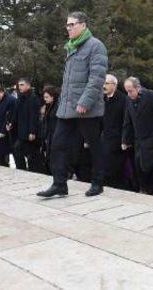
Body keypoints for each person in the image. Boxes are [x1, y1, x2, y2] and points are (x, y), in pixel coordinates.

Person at [38, 11, 108, 198]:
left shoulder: (95, 46)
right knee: (57, 145)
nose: (68, 28)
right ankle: (59, 184)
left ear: (83, 25)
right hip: (67, 107)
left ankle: (98, 183)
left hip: (87, 108)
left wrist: (85, 101)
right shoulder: (71, 47)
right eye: (67, 25)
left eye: (72, 24)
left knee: (94, 146)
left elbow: (97, 77)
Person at [122, 77, 153, 196]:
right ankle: (146, 193)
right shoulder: (129, 99)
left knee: (151, 171)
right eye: (127, 91)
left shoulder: (152, 96)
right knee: (140, 170)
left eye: (130, 91)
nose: (129, 94)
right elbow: (128, 120)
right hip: (138, 142)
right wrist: (125, 139)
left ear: (138, 88)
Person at [102, 74, 130, 189]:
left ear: (114, 85)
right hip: (104, 139)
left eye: (106, 84)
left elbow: (126, 122)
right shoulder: (102, 99)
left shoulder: (123, 99)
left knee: (116, 170)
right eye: (103, 83)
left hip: (118, 141)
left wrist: (124, 139)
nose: (103, 86)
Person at [11, 77, 44, 173]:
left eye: (22, 85)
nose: (19, 87)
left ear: (28, 85)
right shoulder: (21, 97)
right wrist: (11, 123)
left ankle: (34, 172)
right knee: (18, 150)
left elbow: (34, 116)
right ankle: (22, 170)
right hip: (22, 131)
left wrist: (32, 131)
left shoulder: (33, 98)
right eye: (19, 85)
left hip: (30, 133)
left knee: (32, 155)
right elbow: (16, 113)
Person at [39, 85, 59, 174]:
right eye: (44, 97)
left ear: (53, 96)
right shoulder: (48, 106)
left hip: (55, 135)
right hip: (48, 136)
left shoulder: (57, 106)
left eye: (47, 97)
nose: (45, 99)